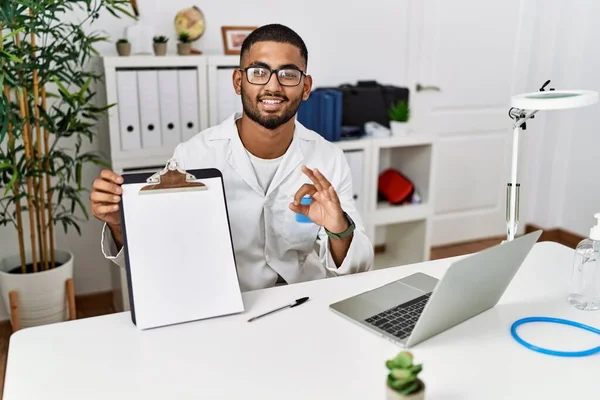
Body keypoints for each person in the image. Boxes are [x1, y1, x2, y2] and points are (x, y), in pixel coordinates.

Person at [91, 23, 374, 292]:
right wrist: (119, 224)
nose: (273, 87)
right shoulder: (193, 156)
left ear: (306, 86)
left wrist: (337, 227)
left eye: (288, 74)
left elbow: (358, 267)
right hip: (231, 302)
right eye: (258, 72)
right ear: (238, 81)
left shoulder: (328, 158)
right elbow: (164, 250)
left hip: (306, 297)